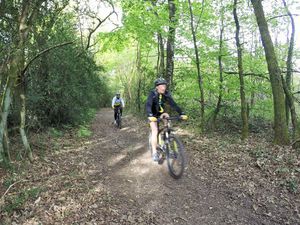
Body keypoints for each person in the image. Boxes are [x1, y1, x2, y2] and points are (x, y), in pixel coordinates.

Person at [146, 77, 187, 162]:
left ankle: (166, 139)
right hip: (152, 114)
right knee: (155, 130)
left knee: (167, 116)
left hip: (161, 113)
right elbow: (148, 105)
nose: (164, 87)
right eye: (162, 86)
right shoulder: (152, 93)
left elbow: (173, 104)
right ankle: (154, 152)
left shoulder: (166, 94)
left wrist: (181, 113)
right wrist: (150, 115)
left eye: (165, 85)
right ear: (157, 87)